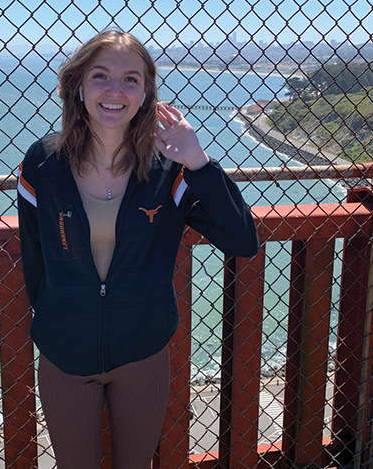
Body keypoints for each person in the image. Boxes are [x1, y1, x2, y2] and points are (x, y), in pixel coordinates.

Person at [17, 29, 258, 469]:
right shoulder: (43, 162)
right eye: (100, 76)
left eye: (130, 79)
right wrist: (59, 317)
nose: (115, 91)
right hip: (65, 355)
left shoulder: (168, 167)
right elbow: (33, 256)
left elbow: (242, 240)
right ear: (78, 85)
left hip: (143, 353)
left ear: (146, 92)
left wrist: (199, 163)